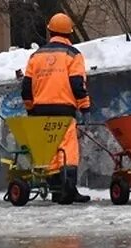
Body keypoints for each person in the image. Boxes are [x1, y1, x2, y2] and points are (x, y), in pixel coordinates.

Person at [20, 12, 92, 204]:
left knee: (50, 151)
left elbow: (26, 88)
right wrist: (85, 107)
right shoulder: (73, 55)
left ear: (50, 32)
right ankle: (68, 190)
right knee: (67, 150)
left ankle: (56, 190)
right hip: (64, 110)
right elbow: (77, 83)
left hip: (40, 112)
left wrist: (30, 109)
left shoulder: (36, 56)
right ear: (69, 33)